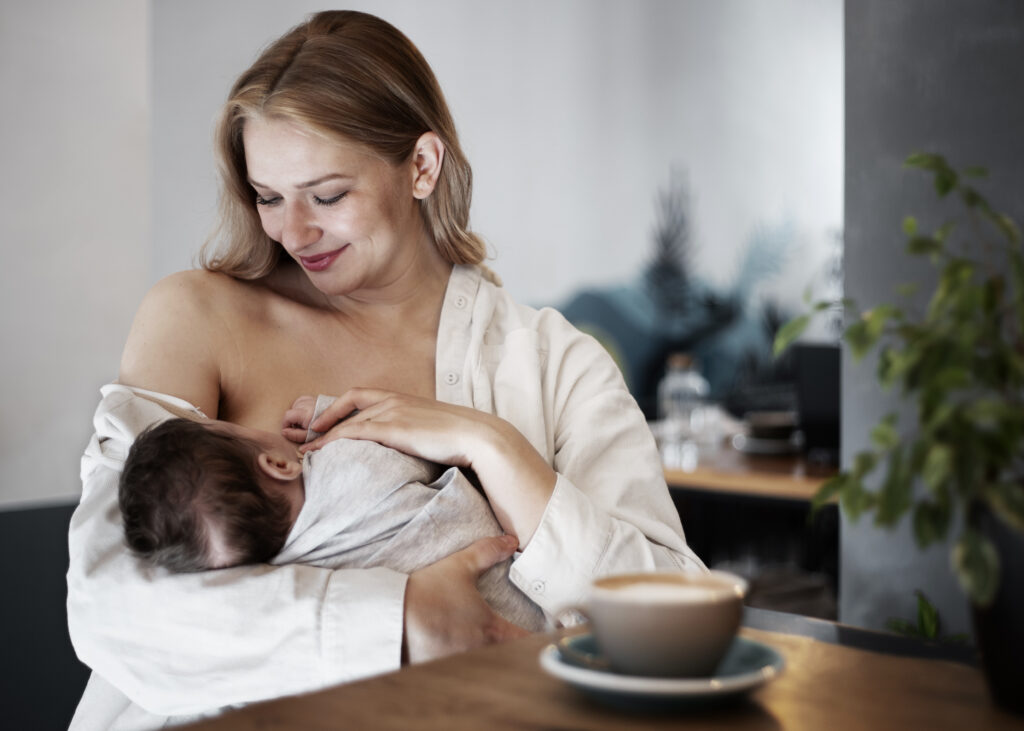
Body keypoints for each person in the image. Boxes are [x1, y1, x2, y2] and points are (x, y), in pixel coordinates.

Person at [66, 9, 705, 729]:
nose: (293, 232)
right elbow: (109, 604)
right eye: (268, 198)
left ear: (422, 166)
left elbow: (673, 616)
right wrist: (399, 619)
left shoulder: (554, 363)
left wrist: (491, 444)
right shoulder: (197, 318)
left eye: (328, 195)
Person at [116, 398, 544, 631]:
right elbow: (422, 445)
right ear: (279, 464)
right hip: (529, 598)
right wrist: (331, 415)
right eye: (233, 427)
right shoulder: (350, 464)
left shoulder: (293, 567)